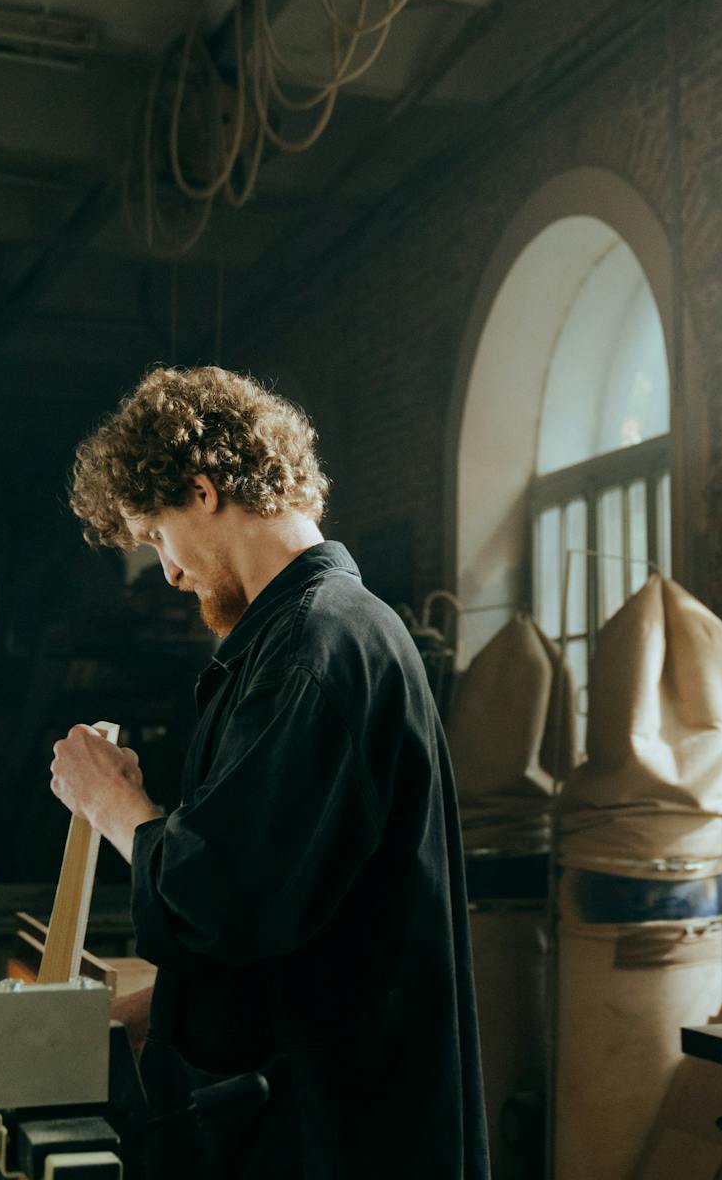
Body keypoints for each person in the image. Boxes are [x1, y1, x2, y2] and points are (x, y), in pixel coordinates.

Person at [49, 366, 489, 1178]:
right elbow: (298, 919)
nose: (168, 571)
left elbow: (229, 899)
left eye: (156, 536)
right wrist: (153, 1013)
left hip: (339, 1133)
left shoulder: (317, 648)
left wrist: (111, 800)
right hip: (319, 1108)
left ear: (203, 489)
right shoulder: (303, 638)